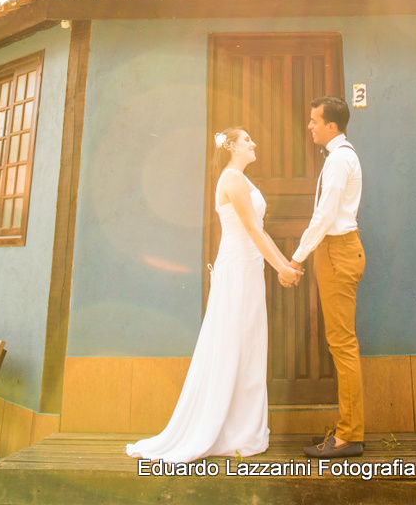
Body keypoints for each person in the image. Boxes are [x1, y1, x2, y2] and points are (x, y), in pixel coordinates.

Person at [126, 127, 302, 463]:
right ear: (234, 146)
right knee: (235, 343)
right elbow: (251, 229)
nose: (254, 143)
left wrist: (283, 264)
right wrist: (281, 268)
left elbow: (258, 230)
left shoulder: (238, 178)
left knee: (248, 344)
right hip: (237, 268)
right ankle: (231, 430)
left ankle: (241, 429)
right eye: (248, 140)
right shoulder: (233, 179)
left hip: (249, 267)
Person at [285, 96, 365, 458]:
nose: (310, 126)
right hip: (336, 251)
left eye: (315, 121)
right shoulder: (340, 157)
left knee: (342, 345)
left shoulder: (339, 160)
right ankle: (349, 428)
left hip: (337, 251)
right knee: (341, 343)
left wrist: (297, 258)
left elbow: (324, 216)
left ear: (332, 126)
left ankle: (349, 435)